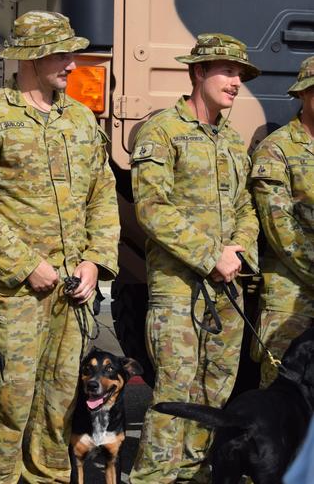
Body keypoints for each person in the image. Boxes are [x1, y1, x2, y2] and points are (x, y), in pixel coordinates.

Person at [0, 11, 120, 483]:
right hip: (19, 294)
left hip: (73, 291)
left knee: (62, 396)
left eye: (72, 53)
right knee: (10, 397)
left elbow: (102, 195)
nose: (72, 63)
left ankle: (49, 475)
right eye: (62, 54)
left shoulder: (81, 119)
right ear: (31, 58)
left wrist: (94, 260)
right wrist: (27, 264)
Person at [128, 33, 260, 483]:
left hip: (227, 286)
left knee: (215, 393)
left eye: (240, 73)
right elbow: (150, 207)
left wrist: (236, 250)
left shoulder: (232, 139)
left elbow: (246, 206)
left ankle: (195, 475)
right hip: (179, 288)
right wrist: (210, 256)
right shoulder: (163, 130)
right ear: (198, 72)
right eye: (226, 71)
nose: (236, 81)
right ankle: (154, 478)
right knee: (174, 393)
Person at [249, 56, 314, 388]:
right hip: (292, 291)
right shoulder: (277, 150)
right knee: (283, 391)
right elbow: (280, 229)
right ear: (303, 95)